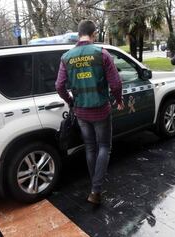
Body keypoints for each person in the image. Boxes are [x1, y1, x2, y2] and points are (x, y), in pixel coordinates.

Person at [55, 20, 124, 205]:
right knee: (104, 147)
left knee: (90, 147)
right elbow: (116, 84)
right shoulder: (102, 54)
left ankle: (95, 183)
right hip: (101, 110)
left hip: (81, 112)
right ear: (93, 34)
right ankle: (96, 189)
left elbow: (59, 86)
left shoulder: (66, 57)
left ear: (79, 34)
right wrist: (118, 100)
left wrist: (71, 102)